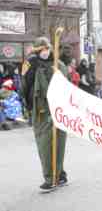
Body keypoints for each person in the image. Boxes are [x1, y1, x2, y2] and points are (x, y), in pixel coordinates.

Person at [21, 36, 69, 191]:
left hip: (58, 109)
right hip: (41, 110)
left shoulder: (59, 65)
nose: (45, 52)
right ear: (36, 51)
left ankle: (59, 174)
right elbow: (25, 88)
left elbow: (67, 87)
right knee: (44, 144)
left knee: (59, 143)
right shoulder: (30, 65)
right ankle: (50, 177)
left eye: (47, 49)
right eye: (41, 50)